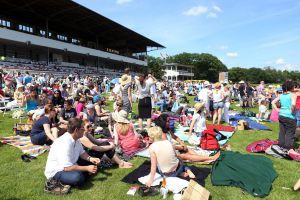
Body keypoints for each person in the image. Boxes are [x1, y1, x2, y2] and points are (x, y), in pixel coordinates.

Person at [44, 118, 100, 194]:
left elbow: (82, 153)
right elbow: (67, 168)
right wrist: (87, 168)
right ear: (76, 130)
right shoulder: (65, 143)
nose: (84, 130)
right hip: (57, 171)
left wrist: (91, 159)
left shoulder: (76, 139)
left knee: (93, 165)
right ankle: (53, 183)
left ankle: (80, 175)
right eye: (83, 128)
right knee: (78, 178)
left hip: (71, 165)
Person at [272, 80, 297, 150]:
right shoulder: (293, 95)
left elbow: (273, 102)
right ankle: (288, 148)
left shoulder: (281, 95)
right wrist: (292, 112)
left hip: (281, 115)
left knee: (282, 132)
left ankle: (281, 145)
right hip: (290, 117)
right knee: (290, 133)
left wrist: (277, 110)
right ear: (291, 87)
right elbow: (293, 104)